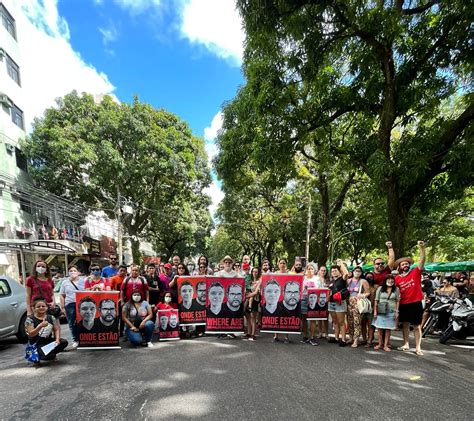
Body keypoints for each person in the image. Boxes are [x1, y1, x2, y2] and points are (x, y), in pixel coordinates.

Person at [395, 240, 426, 356]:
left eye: (407, 263)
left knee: (417, 326)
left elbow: (422, 260)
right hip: (403, 303)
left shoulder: (415, 272)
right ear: (400, 267)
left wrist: (422, 248)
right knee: (405, 324)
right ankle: (406, 344)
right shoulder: (397, 278)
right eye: (403, 264)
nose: (405, 265)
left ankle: (418, 347)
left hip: (416, 302)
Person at [25, 297, 68, 362]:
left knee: (63, 342)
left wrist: (57, 339)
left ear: (47, 307)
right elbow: (31, 334)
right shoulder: (30, 319)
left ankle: (51, 353)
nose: (41, 308)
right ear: (33, 308)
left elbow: (56, 329)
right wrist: (40, 326)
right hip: (36, 343)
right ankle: (38, 357)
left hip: (48, 341)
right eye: (38, 307)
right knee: (48, 357)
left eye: (43, 306)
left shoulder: (51, 317)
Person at [59, 265, 85, 348]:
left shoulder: (83, 281)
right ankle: (75, 340)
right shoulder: (65, 282)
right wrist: (62, 307)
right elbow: (62, 295)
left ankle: (83, 339)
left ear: (78, 272)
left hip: (81, 304)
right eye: (71, 270)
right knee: (72, 323)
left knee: (82, 322)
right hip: (70, 304)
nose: (73, 272)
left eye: (74, 270)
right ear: (68, 272)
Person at [373, 275, 400, 352]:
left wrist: (397, 311)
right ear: (385, 280)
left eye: (392, 279)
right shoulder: (380, 288)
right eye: (388, 279)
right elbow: (376, 300)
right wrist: (375, 311)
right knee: (380, 328)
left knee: (388, 329)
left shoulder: (396, 289)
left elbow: (397, 301)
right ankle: (379, 344)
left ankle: (385, 345)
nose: (390, 281)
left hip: (391, 311)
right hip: (381, 310)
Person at [346, 266, 370, 348]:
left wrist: (362, 295)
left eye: (359, 271)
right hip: (349, 303)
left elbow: (368, 292)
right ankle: (351, 338)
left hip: (358, 304)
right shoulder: (349, 281)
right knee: (350, 321)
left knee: (357, 321)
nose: (357, 272)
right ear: (352, 271)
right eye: (356, 271)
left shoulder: (363, 281)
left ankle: (356, 340)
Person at [328, 260, 349, 346]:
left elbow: (346, 273)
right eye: (332, 271)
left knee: (341, 322)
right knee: (335, 321)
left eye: (335, 270)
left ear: (339, 271)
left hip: (340, 303)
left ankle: (343, 339)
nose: (333, 272)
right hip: (331, 303)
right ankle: (336, 338)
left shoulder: (342, 279)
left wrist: (341, 264)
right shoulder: (331, 281)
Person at [300, 262, 319, 346]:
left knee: (313, 319)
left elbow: (320, 289)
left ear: (314, 270)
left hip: (314, 300)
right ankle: (305, 335)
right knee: (304, 318)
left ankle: (312, 337)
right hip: (304, 299)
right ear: (306, 270)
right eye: (308, 268)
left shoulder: (317, 279)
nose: (310, 270)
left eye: (312, 269)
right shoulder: (303, 278)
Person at [245, 267, 261, 341]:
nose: (254, 273)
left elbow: (256, 292)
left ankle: (253, 334)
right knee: (248, 317)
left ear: (258, 273)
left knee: (253, 317)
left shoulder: (259, 281)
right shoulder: (249, 281)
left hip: (255, 300)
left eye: (256, 272)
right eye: (253, 272)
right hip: (247, 300)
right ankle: (248, 333)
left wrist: (247, 296)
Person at [361, 272, 377, 348]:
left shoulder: (376, 287)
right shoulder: (361, 286)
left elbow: (378, 299)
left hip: (372, 308)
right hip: (362, 308)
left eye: (371, 276)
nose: (369, 278)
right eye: (367, 276)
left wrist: (375, 308)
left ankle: (369, 340)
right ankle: (364, 339)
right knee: (363, 325)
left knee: (371, 326)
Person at [315, 265, 330, 339]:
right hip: (317, 301)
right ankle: (320, 333)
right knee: (319, 318)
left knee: (325, 318)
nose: (323, 272)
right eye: (322, 270)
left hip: (326, 301)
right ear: (319, 271)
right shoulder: (316, 279)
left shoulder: (328, 280)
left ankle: (326, 333)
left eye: (324, 270)